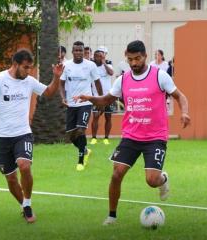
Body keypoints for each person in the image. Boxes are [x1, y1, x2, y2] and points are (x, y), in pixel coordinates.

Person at [74, 40, 190, 225]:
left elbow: (180, 96)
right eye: (130, 60)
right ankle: (112, 216)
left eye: (137, 59)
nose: (134, 63)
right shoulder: (123, 79)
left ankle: (163, 178)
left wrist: (184, 112)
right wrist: (90, 98)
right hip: (131, 136)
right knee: (116, 174)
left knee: (152, 180)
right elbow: (106, 99)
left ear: (145, 56)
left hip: (155, 137)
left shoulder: (160, 76)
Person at [0, 49, 64, 223]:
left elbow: (49, 93)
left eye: (30, 67)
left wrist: (56, 77)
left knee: (24, 166)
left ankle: (28, 204)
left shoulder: (29, 81)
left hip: (23, 134)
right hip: (1, 137)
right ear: (15, 64)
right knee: (11, 177)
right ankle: (23, 205)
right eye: (25, 67)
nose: (28, 71)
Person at [60, 41, 103, 171]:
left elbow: (97, 82)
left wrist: (100, 100)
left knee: (80, 130)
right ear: (72, 52)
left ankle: (80, 162)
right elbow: (61, 83)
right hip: (71, 104)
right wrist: (63, 97)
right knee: (71, 135)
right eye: (76, 50)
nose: (78, 53)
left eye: (81, 50)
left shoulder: (90, 65)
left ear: (84, 52)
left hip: (85, 103)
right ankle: (85, 150)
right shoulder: (66, 65)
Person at [90, 47, 114, 145]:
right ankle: (94, 138)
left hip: (108, 96)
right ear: (94, 57)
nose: (99, 58)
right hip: (96, 97)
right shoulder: (92, 67)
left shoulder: (108, 66)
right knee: (95, 116)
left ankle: (106, 138)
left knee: (108, 117)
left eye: (101, 56)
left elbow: (111, 73)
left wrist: (104, 63)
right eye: (97, 56)